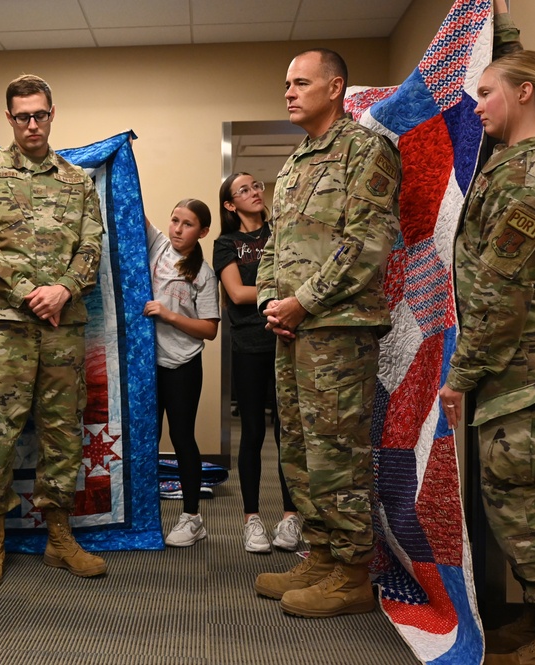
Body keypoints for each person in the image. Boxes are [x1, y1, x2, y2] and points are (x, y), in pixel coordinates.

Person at [438, 13, 535, 663]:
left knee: (520, 498)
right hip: (516, 354)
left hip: (519, 355)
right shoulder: (532, 152)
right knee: (512, 493)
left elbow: (500, 296)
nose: (477, 106)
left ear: (523, 94)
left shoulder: (528, 175)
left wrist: (457, 377)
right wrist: (491, 27)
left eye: (485, 93)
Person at [254, 48, 401, 619]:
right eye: (286, 83)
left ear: (336, 87)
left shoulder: (364, 150)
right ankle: (321, 554)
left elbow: (367, 242)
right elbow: (274, 244)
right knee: (298, 448)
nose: (288, 91)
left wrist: (303, 302)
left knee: (337, 451)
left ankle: (352, 573)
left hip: (337, 328)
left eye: (300, 82)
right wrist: (271, 300)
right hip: (291, 330)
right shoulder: (295, 163)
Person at [0, 74, 106, 587]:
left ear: (52, 113)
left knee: (62, 432)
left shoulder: (78, 180)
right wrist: (26, 291)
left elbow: (91, 246)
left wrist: (62, 288)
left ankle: (59, 538)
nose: (33, 124)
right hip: (2, 325)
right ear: (10, 118)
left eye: (40, 114)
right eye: (23, 116)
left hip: (63, 324)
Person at [214, 174, 299, 554]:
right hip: (249, 344)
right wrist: (285, 296)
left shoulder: (283, 231)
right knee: (252, 432)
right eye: (243, 189)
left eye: (256, 186)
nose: (254, 192)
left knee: (289, 432)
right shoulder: (226, 243)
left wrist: (284, 298)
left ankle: (291, 517)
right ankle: (251, 520)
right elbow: (236, 292)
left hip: (287, 341)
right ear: (230, 205)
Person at [145, 201, 220, 547]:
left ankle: (192, 518)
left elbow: (208, 329)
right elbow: (135, 206)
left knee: (181, 437)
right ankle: (145, 518)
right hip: (148, 363)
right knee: (147, 437)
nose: (177, 228)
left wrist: (169, 315)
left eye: (187, 224)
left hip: (182, 365)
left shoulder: (203, 274)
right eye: (174, 220)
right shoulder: (158, 246)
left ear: (202, 232)